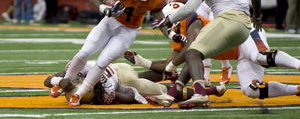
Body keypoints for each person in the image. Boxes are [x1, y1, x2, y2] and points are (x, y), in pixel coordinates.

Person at [149, 0, 261, 109]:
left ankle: (200, 94)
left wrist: (167, 21)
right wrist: (256, 18)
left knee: (192, 52)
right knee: (195, 52)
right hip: (245, 27)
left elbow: (189, 8)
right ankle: (171, 95)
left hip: (228, 20)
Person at [49, 0, 172, 107]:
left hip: (129, 30)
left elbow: (161, 22)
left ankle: (79, 94)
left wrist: (171, 35)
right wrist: (104, 9)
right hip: (111, 21)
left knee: (102, 62)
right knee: (84, 53)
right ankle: (64, 82)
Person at [146, 19, 300, 107]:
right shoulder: (185, 37)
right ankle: (297, 90)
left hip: (246, 35)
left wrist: (171, 69)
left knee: (260, 56)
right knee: (251, 90)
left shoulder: (195, 22)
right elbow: (189, 61)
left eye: (173, 24)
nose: (173, 30)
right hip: (239, 54)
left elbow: (188, 52)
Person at [45, 61, 226, 105]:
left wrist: (60, 81)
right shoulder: (81, 70)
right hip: (119, 67)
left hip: (125, 80)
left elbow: (130, 97)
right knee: (140, 77)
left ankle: (210, 92)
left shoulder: (106, 92)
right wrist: (60, 80)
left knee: (163, 91)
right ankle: (166, 72)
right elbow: (48, 80)